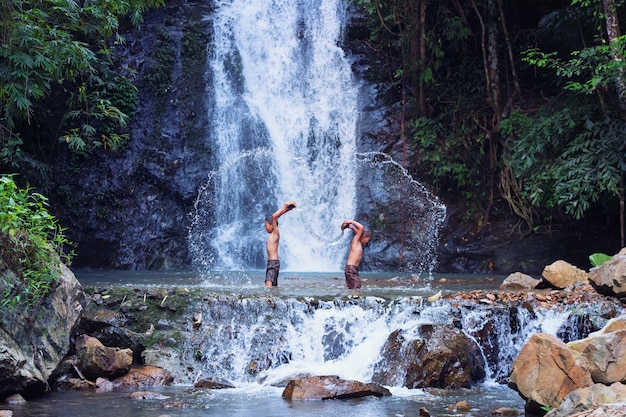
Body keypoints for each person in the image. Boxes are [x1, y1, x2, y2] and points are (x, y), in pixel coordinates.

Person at [264, 201, 296, 287]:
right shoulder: (272, 235)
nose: (265, 228)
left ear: (272, 226)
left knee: (268, 283)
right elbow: (275, 217)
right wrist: (287, 210)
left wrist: (284, 206)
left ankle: (268, 298)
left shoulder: (275, 234)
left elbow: (274, 217)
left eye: (266, 225)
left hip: (273, 263)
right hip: (272, 263)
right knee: (273, 284)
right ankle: (273, 299)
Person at [340, 220, 372, 291]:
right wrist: (351, 221)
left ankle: (352, 300)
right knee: (356, 287)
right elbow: (361, 227)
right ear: (364, 236)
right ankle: (355, 300)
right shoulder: (356, 241)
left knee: (353, 287)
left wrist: (352, 228)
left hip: (352, 269)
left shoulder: (358, 241)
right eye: (368, 239)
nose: (368, 241)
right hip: (351, 269)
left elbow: (359, 233)